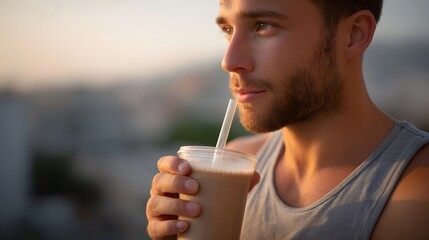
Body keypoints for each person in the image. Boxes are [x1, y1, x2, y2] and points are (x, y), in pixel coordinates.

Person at [146, 0, 429, 239]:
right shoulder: (237, 164)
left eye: (263, 25)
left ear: (353, 35)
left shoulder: (417, 193)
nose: (229, 60)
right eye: (228, 30)